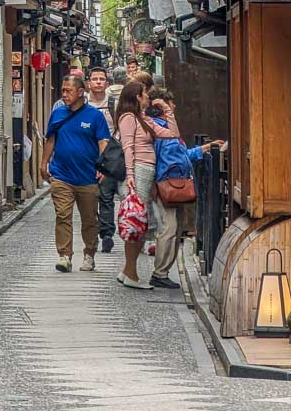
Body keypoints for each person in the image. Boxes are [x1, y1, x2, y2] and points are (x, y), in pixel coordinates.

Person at [148, 92, 225, 289]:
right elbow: (156, 158)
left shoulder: (167, 128)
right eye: (171, 103)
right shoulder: (157, 129)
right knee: (169, 228)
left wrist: (205, 148)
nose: (174, 106)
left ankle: (163, 271)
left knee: (174, 229)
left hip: (174, 184)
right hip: (165, 184)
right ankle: (160, 272)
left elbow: (181, 155)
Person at [40, 73, 110, 274]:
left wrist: (102, 167)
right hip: (62, 175)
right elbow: (50, 139)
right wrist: (44, 163)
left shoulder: (95, 116)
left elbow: (103, 142)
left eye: (68, 91)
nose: (64, 95)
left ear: (80, 92)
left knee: (89, 219)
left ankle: (89, 254)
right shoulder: (58, 114)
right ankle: (64, 255)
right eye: (63, 91)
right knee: (62, 215)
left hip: (88, 176)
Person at [114, 80, 181, 290]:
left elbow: (172, 134)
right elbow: (127, 147)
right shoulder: (128, 118)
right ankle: (131, 273)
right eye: (145, 94)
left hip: (146, 171)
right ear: (137, 97)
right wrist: (131, 174)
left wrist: (167, 111)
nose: (148, 98)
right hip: (138, 170)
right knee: (136, 222)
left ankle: (128, 271)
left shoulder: (142, 118)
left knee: (140, 223)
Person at [86, 66, 117, 252]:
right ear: (88, 82)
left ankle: (106, 233)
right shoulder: (83, 104)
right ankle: (91, 231)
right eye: (94, 78)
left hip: (109, 155)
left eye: (101, 79)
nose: (98, 82)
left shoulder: (113, 103)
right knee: (89, 196)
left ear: (107, 83)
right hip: (87, 155)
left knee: (106, 195)